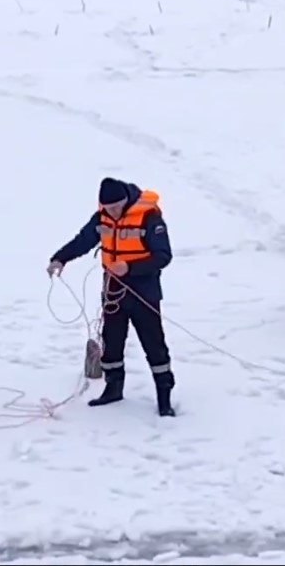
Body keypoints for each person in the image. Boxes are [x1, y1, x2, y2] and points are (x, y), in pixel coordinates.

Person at [47, 178, 177, 417]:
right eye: (108, 208)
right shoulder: (102, 217)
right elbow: (83, 241)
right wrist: (59, 258)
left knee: (154, 344)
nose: (113, 212)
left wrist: (129, 267)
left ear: (125, 200)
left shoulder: (149, 217)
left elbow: (163, 256)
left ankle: (164, 396)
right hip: (113, 291)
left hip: (144, 291)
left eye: (116, 207)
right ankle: (113, 388)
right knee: (112, 341)